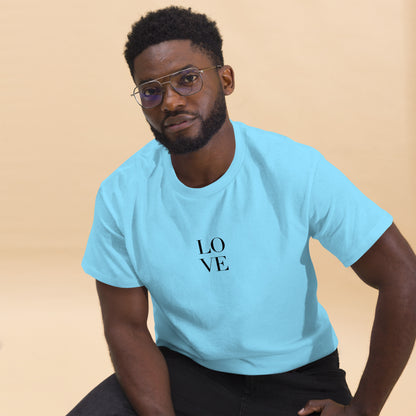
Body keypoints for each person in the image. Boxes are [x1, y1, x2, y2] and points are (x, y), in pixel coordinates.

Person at [68, 6, 416, 416]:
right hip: (184, 373)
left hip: (298, 380)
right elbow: (125, 325)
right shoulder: (121, 194)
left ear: (226, 79)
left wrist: (363, 411)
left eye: (187, 79)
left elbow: (403, 276)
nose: (171, 101)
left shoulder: (294, 169)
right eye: (151, 90)